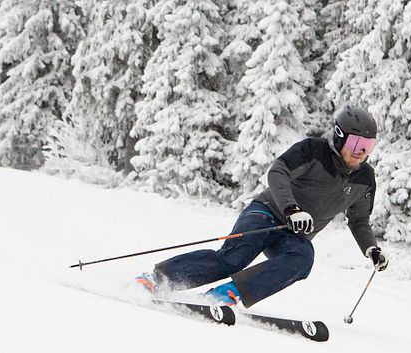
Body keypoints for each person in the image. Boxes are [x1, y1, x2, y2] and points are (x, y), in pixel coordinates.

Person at [135, 106, 389, 307]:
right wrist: (291, 209)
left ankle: (226, 294)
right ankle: (158, 278)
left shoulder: (364, 178)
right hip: (266, 213)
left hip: (293, 234)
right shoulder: (314, 151)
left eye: (368, 147)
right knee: (234, 258)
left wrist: (371, 249)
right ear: (339, 137)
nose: (361, 153)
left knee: (302, 259)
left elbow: (358, 220)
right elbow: (278, 172)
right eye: (356, 144)